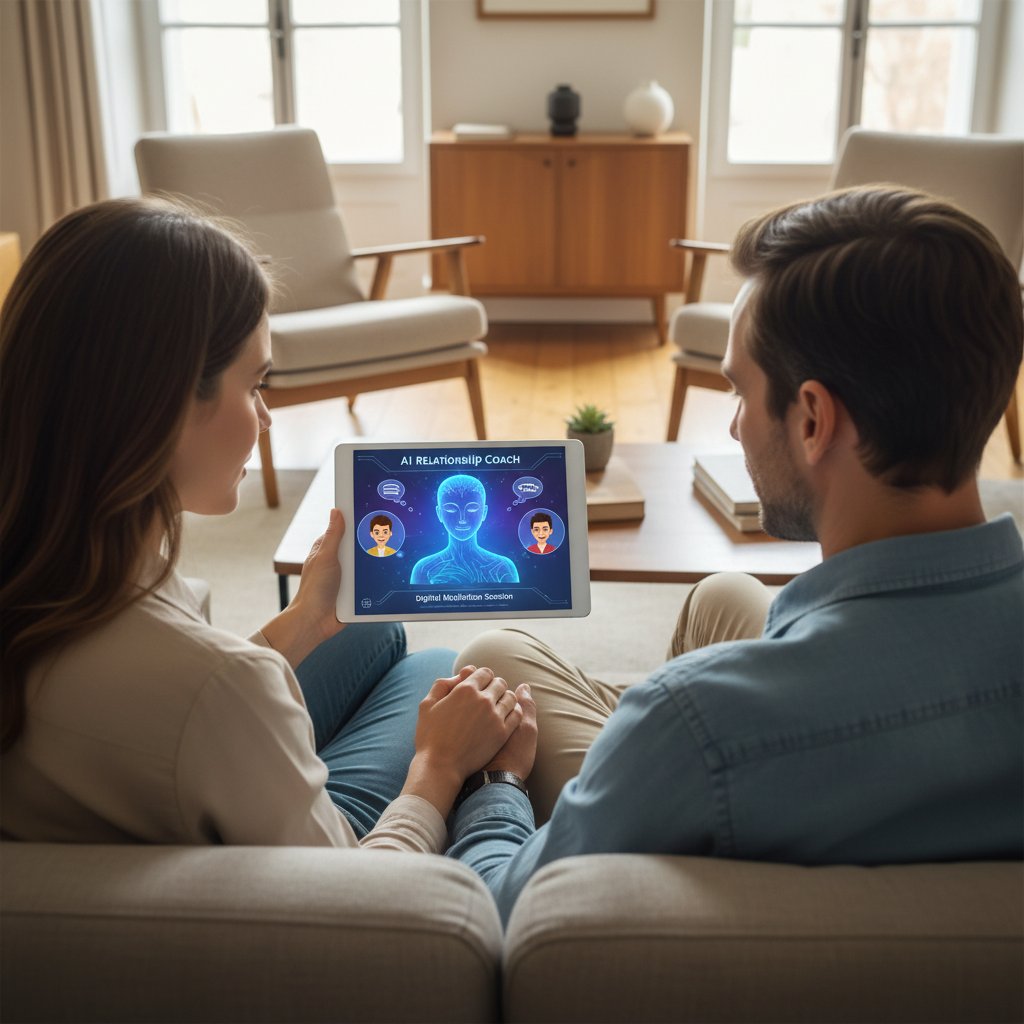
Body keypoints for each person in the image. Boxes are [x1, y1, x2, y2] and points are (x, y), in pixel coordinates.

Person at [442, 185, 1024, 924]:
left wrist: (491, 783)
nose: (737, 425)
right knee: (725, 593)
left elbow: (494, 907)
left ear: (813, 418)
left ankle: (609, 764)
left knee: (494, 653)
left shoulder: (692, 722)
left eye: (739, 391)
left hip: (725, 759)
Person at [0, 196, 536, 850]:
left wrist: (305, 621)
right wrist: (441, 766)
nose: (267, 418)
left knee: (368, 624)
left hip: (163, 747)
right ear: (163, 403)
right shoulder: (223, 689)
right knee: (441, 670)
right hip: (312, 859)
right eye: (254, 385)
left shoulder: (65, 562)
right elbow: (348, 903)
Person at [410, 473, 519, 585]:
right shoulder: (424, 569)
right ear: (439, 513)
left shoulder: (503, 567)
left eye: (472, 508)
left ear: (484, 513)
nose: (462, 519)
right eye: (451, 509)